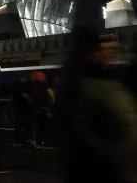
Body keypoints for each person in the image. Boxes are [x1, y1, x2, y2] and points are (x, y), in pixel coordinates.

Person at [58, 29, 137, 183]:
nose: (110, 52)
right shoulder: (83, 85)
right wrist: (115, 159)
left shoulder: (99, 80)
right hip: (103, 171)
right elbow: (82, 132)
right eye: (102, 48)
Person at [29, 71, 52, 147]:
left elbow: (31, 98)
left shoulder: (33, 86)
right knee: (44, 126)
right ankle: (43, 141)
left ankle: (34, 140)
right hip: (45, 108)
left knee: (35, 125)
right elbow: (51, 95)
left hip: (36, 108)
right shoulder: (46, 86)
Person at [11, 76, 32, 146]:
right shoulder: (21, 88)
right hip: (21, 109)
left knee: (19, 126)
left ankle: (18, 140)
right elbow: (26, 97)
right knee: (21, 126)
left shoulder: (17, 87)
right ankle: (21, 140)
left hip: (18, 109)